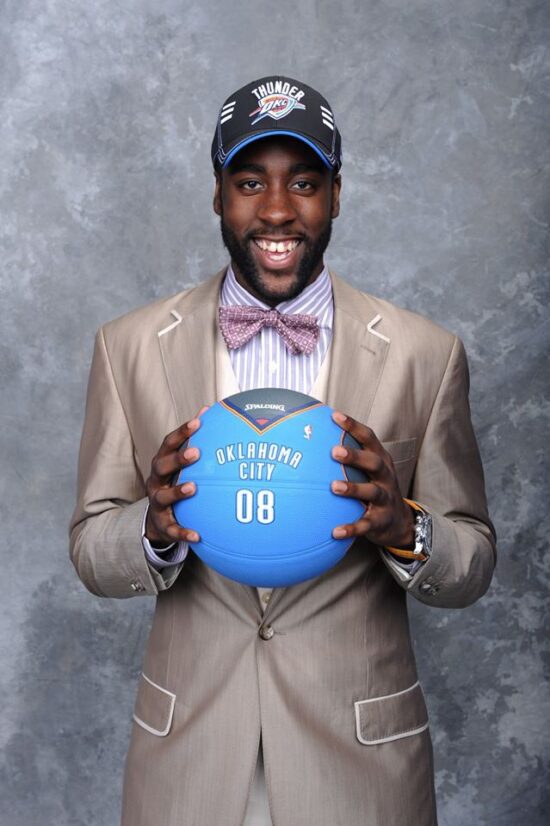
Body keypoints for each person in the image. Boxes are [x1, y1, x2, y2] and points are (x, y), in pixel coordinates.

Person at [69, 75, 496, 826]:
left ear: (337, 194)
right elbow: (90, 546)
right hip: (190, 762)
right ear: (217, 194)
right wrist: (152, 529)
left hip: (359, 768)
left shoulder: (424, 355)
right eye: (248, 183)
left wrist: (405, 527)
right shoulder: (129, 347)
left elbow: (473, 562)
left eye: (303, 183)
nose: (275, 210)